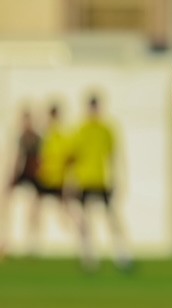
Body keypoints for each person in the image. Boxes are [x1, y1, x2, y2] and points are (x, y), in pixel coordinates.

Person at [67, 94, 132, 271]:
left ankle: (122, 256)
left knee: (112, 219)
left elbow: (114, 156)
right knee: (85, 220)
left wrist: (118, 178)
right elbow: (73, 158)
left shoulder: (106, 130)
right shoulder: (81, 130)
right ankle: (89, 257)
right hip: (84, 181)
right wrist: (71, 182)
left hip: (102, 180)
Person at [0, 108, 42, 257]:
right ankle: (5, 241)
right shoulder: (20, 138)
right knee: (6, 204)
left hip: (34, 177)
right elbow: (17, 159)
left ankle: (32, 244)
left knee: (34, 210)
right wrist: (12, 178)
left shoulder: (37, 138)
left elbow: (40, 160)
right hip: (22, 175)